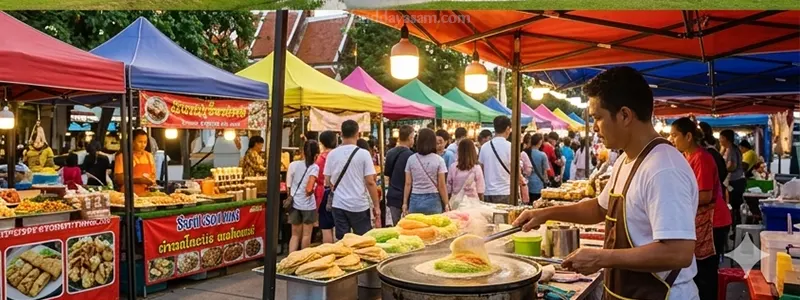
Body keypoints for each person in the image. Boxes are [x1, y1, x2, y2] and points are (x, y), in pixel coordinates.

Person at [513, 66, 699, 299]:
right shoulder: (626, 159)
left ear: (624, 115)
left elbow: (678, 252)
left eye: (598, 118)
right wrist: (546, 213)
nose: (596, 128)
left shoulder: (663, 169)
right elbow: (600, 208)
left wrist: (601, 257)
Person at [670, 117, 731, 300]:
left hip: (713, 222)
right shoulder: (687, 156)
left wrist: (677, 201)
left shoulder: (701, 158)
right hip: (700, 221)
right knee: (699, 271)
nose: (672, 140)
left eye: (675, 135)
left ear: (688, 136)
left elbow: (704, 195)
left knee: (705, 273)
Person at [324, 120, 380, 240]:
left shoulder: (332, 154)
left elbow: (327, 181)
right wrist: (376, 206)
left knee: (343, 242)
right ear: (357, 134)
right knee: (363, 241)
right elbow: (370, 182)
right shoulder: (364, 154)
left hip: (338, 204)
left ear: (341, 133)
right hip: (359, 205)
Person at [403, 128, 449, 215]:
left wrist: (405, 203)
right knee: (434, 227)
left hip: (415, 199)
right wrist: (446, 203)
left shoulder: (411, 159)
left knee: (416, 227)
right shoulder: (439, 160)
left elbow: (408, 183)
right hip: (433, 200)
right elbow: (442, 185)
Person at [286, 140, 320, 252]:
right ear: (316, 154)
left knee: (294, 235)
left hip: (294, 204)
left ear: (303, 152)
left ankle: (291, 259)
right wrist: (313, 187)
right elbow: (309, 189)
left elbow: (289, 187)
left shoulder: (293, 165)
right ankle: (302, 260)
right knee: (306, 235)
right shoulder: (314, 167)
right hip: (308, 206)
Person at [384, 125, 415, 226]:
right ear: (410, 137)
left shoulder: (389, 153)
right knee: (407, 227)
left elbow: (387, 174)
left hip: (393, 195)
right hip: (408, 196)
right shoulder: (411, 156)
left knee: (396, 227)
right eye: (413, 137)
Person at [479, 116, 514, 204]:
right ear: (507, 128)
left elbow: (481, 170)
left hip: (488, 192)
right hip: (506, 191)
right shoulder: (510, 147)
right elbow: (515, 170)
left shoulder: (484, 147)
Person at [115, 129, 156, 196]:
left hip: (146, 195)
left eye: (145, 142)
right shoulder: (123, 156)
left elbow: (153, 176)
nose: (143, 145)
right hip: (128, 195)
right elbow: (119, 180)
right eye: (140, 142)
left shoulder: (149, 156)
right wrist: (139, 180)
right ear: (132, 142)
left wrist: (152, 182)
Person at [719, 129, 748, 226]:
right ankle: (736, 226)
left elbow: (733, 166)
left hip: (735, 181)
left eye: (721, 138)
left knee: (735, 205)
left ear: (725, 138)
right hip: (737, 180)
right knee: (735, 205)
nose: (720, 140)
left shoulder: (731, 149)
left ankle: (736, 227)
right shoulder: (731, 148)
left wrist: (723, 169)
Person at [315, 131, 338, 243]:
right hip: (340, 193)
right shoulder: (339, 155)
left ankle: (329, 251)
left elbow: (318, 177)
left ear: (322, 142)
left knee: (326, 227)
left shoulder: (321, 159)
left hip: (325, 193)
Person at [447, 139, 485, 206]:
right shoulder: (476, 168)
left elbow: (448, 188)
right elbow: (480, 190)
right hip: (472, 203)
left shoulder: (453, 167)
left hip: (456, 203)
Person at [527, 133, 550, 201]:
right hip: (539, 185)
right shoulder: (542, 155)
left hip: (527, 184)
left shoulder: (525, 153)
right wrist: (546, 181)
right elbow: (545, 171)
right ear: (540, 142)